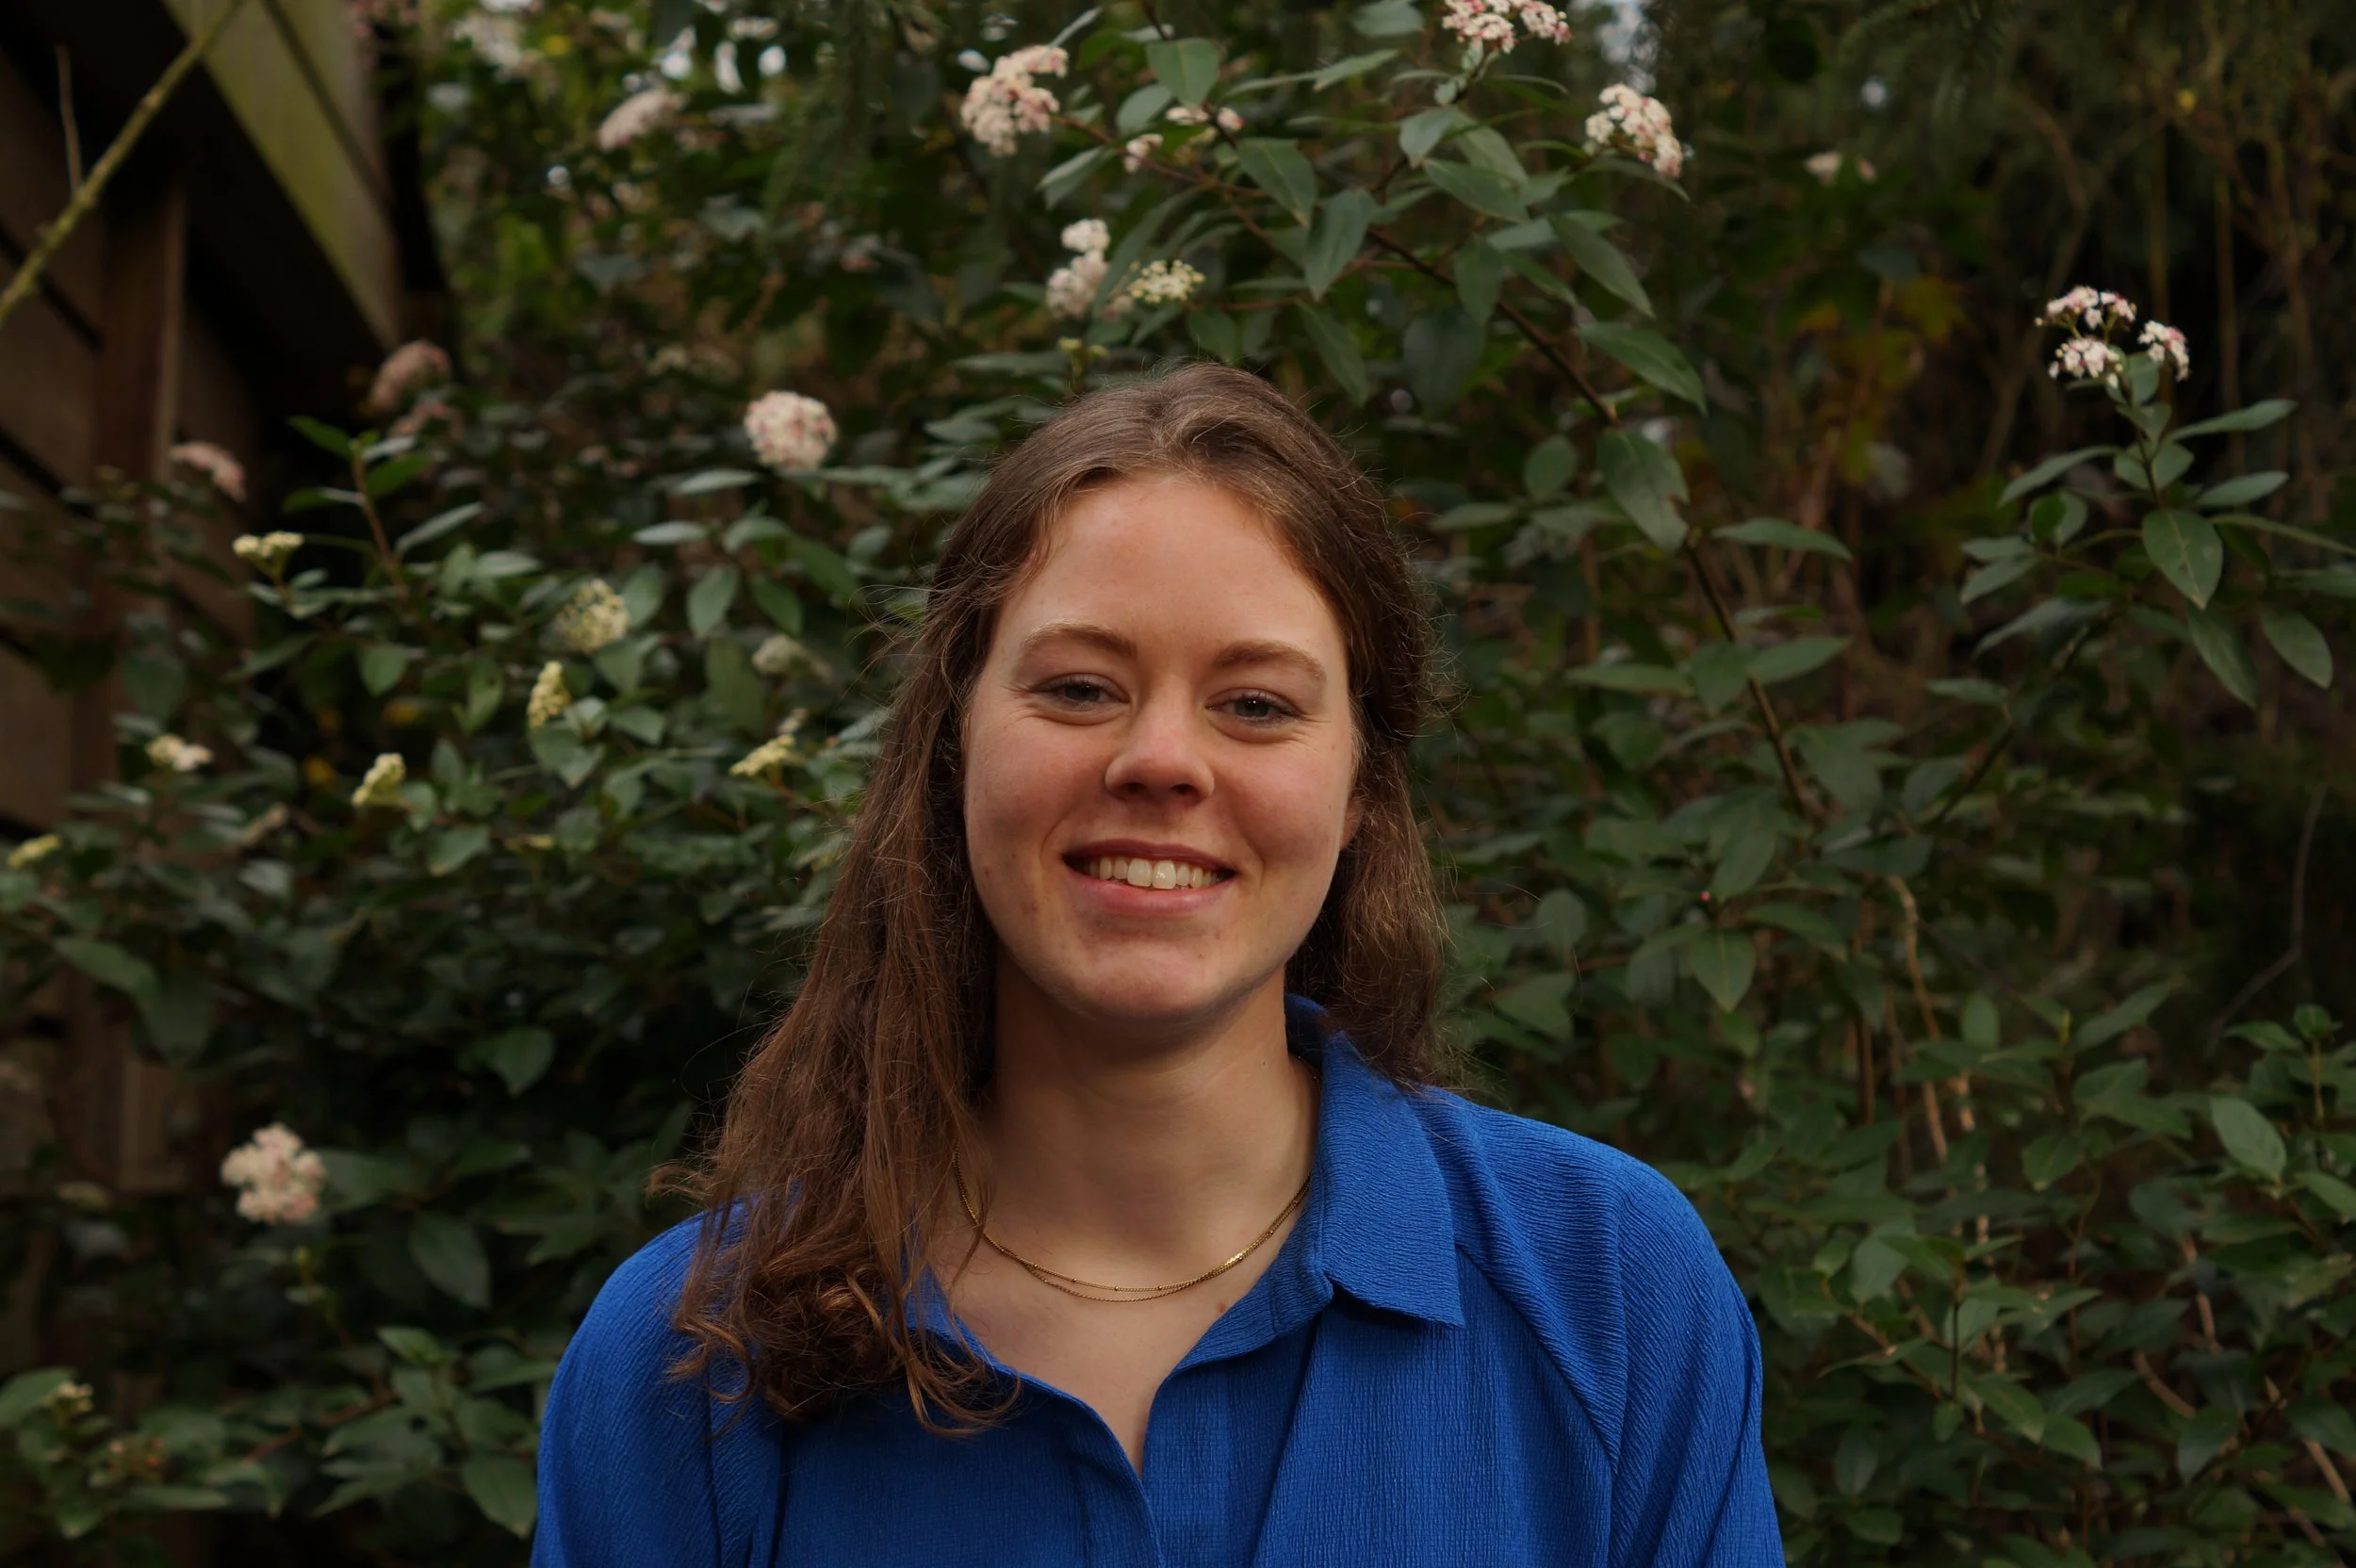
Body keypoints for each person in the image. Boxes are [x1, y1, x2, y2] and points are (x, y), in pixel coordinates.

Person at [532, 363, 1781, 1565]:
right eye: (1081, 687)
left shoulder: (1610, 1296)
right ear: (955, 746)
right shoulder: (690, 1361)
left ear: (1361, 787)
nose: (1162, 762)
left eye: (1257, 704)